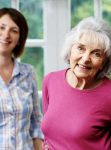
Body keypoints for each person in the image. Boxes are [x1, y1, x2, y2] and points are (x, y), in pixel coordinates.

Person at [41, 17, 111, 150]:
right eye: (80, 48)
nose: (85, 59)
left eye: (96, 54)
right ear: (70, 50)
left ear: (104, 62)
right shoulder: (51, 81)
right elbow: (48, 136)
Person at [0, 8, 43, 149]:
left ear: (19, 39)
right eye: (1, 27)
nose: (6, 35)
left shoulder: (28, 73)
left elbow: (36, 123)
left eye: (14, 30)